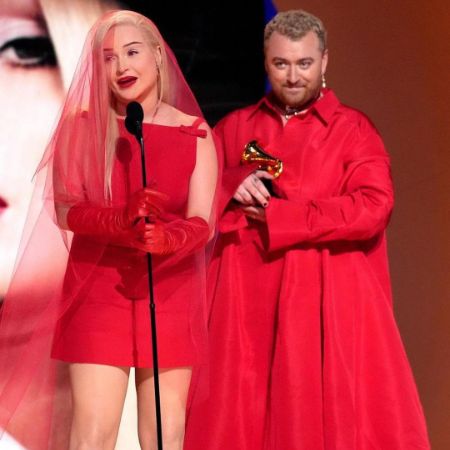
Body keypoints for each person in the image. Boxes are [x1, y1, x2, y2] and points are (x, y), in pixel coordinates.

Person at [184, 9, 430, 450]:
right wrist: (230, 180)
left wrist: (286, 217)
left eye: (304, 64)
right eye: (281, 64)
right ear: (265, 63)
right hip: (244, 306)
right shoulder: (235, 128)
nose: (293, 76)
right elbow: (192, 195)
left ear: (324, 62)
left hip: (324, 302)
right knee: (242, 416)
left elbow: (375, 207)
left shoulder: (354, 131)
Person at [0, 9, 218, 450]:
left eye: (132, 52)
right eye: (107, 58)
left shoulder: (195, 132)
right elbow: (66, 210)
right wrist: (120, 222)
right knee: (93, 435)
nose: (121, 67)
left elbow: (203, 222)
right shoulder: (83, 128)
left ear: (158, 56)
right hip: (100, 293)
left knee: (164, 433)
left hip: (168, 294)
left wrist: (171, 237)